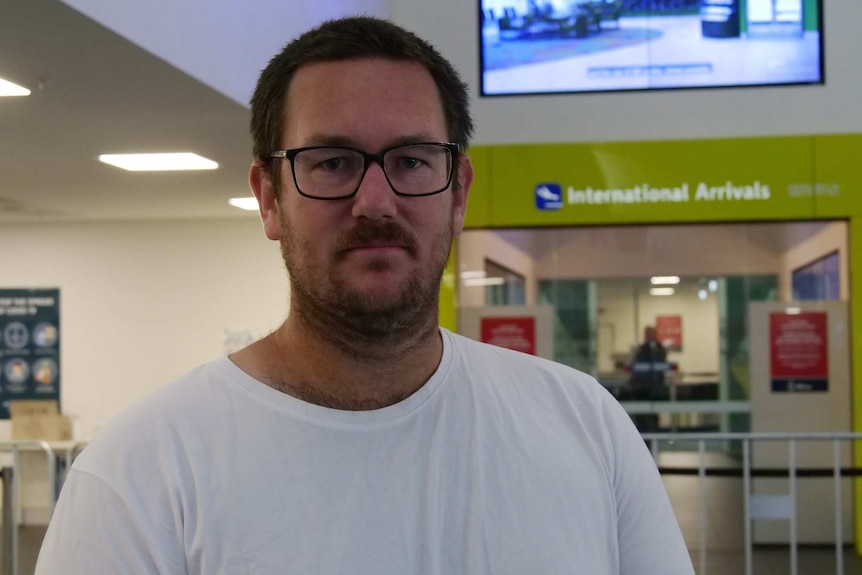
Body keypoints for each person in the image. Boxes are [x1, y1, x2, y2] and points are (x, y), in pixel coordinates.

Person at [35, 16, 694, 575]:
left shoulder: (587, 427)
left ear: (457, 193)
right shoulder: (137, 475)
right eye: (332, 163)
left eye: (411, 160)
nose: (375, 202)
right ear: (269, 198)